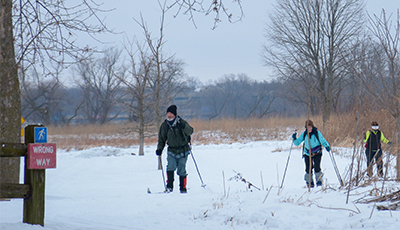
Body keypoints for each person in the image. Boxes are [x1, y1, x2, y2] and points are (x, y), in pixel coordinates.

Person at [156, 105, 194, 193]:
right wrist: (160, 149)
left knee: (182, 169)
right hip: (171, 150)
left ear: (174, 114)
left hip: (183, 150)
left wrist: (183, 126)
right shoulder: (165, 125)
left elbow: (190, 131)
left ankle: (183, 188)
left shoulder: (181, 122)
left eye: (171, 113)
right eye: (168, 113)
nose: (169, 115)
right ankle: (169, 187)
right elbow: (162, 138)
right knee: (170, 167)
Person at [292, 120, 331, 188]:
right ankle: (310, 184)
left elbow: (323, 140)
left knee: (317, 167)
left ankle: (319, 182)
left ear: (312, 127)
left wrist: (327, 146)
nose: (309, 129)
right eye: (307, 127)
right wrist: (294, 138)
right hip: (307, 154)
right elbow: (297, 143)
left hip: (317, 153)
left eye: (310, 127)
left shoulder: (317, 133)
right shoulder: (304, 134)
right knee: (308, 169)